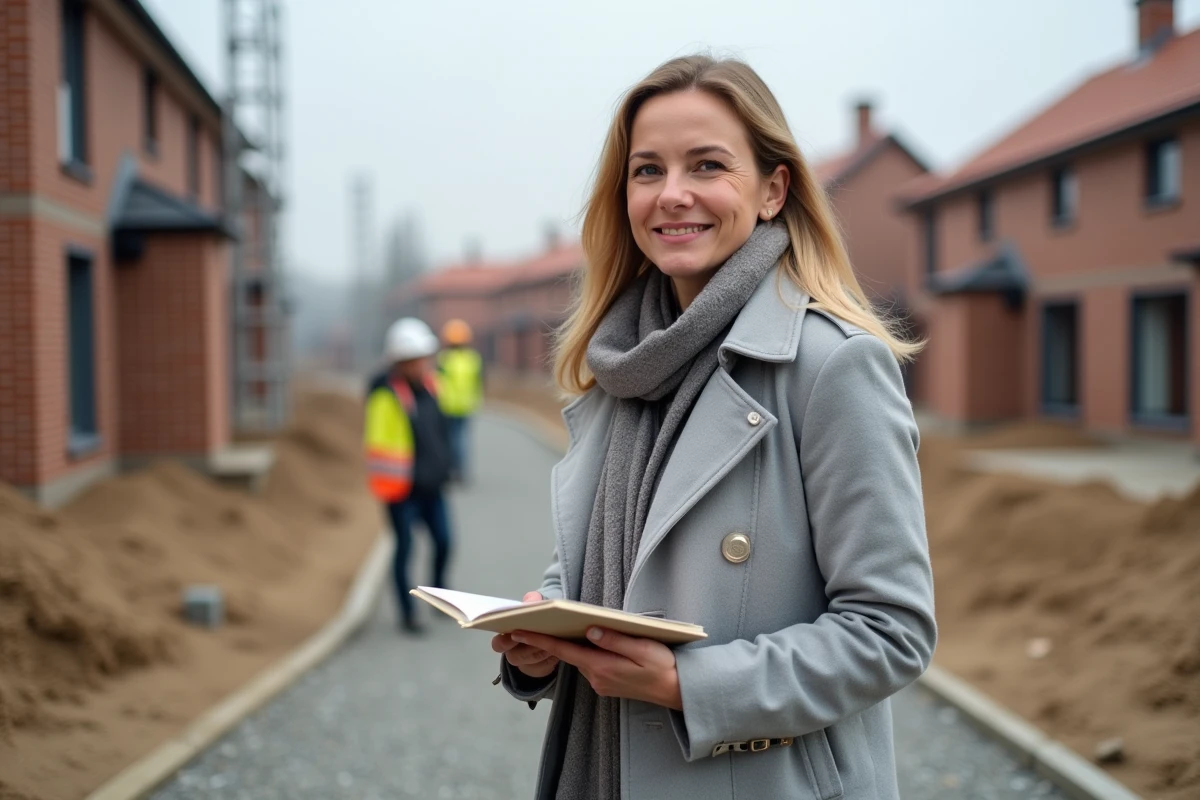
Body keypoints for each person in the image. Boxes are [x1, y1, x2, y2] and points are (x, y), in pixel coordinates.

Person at [489, 55, 936, 800]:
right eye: (647, 170)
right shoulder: (620, 363)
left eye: (707, 165)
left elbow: (891, 632)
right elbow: (602, 564)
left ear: (772, 190)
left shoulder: (833, 366)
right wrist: (541, 640)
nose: (672, 195)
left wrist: (690, 686)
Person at [364, 317, 454, 635]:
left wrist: (447, 466)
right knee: (404, 549)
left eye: (424, 358)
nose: (423, 365)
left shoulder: (432, 387)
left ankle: (440, 595)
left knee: (444, 542)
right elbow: (379, 444)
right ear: (400, 362)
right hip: (401, 489)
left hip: (432, 485)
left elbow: (439, 432)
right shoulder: (385, 396)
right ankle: (408, 614)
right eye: (415, 360)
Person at [437, 318, 484, 483]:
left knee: (450, 439)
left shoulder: (444, 359)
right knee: (462, 439)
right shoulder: (473, 359)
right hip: (467, 405)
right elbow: (479, 381)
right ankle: (461, 471)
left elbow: (436, 382)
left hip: (447, 406)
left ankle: (452, 469)